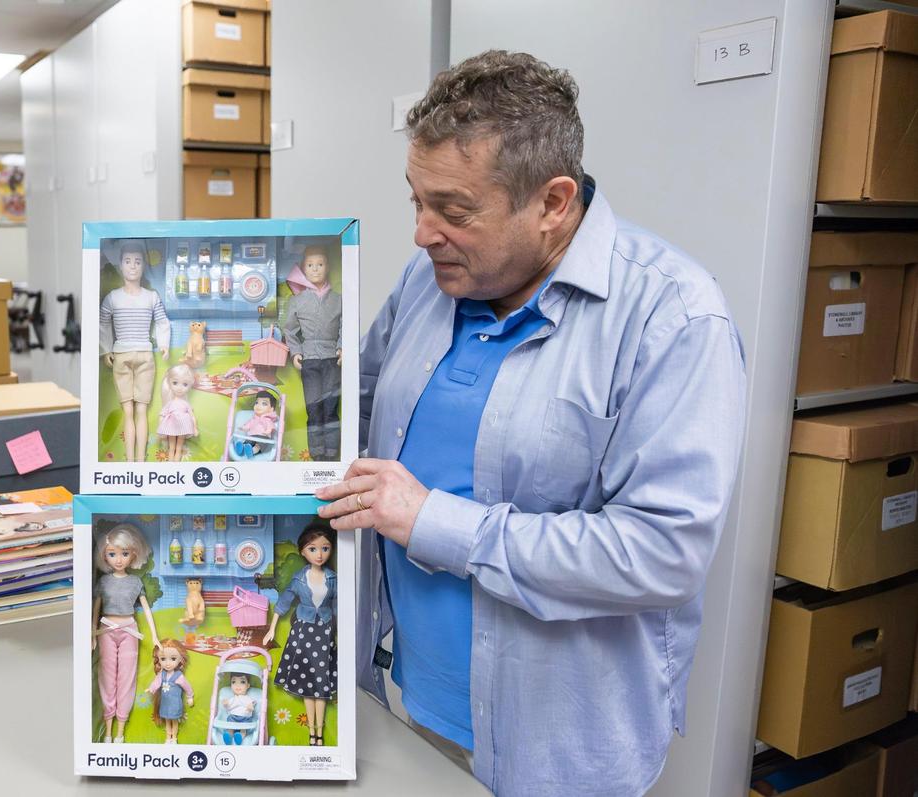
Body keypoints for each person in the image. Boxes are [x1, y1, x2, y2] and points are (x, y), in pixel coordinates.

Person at [316, 50, 746, 796]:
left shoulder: (672, 317)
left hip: (556, 754)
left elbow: (662, 551)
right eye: (415, 201)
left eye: (453, 210)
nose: (422, 233)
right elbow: (363, 401)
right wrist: (274, 387)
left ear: (552, 202)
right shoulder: (432, 278)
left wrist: (433, 521)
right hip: (401, 701)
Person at [263, 521, 337, 746]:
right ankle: (312, 733)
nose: (320, 554)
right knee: (308, 685)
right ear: (303, 551)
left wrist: (340, 635)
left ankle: (319, 734)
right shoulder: (299, 578)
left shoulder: (333, 578)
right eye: (313, 549)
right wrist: (271, 629)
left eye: (325, 548)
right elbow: (283, 604)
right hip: (303, 632)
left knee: (321, 686)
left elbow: (337, 607)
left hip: (324, 631)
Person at [99, 240, 171, 461]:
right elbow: (102, 323)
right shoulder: (113, 297)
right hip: (121, 355)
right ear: (120, 265)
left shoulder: (151, 297)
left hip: (145, 355)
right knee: (128, 410)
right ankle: (130, 462)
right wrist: (105, 349)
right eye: (128, 261)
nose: (132, 266)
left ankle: (140, 462)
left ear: (143, 266)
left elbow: (162, 322)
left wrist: (164, 344)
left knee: (141, 410)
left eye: (137, 262)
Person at [92, 523, 158, 744]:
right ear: (104, 555)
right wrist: (93, 632)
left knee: (126, 679)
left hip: (129, 630)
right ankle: (108, 732)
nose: (118, 559)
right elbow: (96, 608)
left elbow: (146, 608)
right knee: (107, 677)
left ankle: (120, 732)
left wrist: (155, 636)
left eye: (124, 553)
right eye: (112, 554)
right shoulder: (103, 581)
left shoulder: (135, 581)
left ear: (133, 554)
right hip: (106, 629)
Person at [283, 246, 343, 461]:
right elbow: (289, 330)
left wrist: (341, 346)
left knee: (330, 408)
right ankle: (317, 453)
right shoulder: (297, 301)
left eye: (320, 264)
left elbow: (345, 325)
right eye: (310, 265)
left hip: (332, 359)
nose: (315, 269)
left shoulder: (338, 299)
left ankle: (332, 453)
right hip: (309, 358)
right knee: (313, 408)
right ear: (303, 269)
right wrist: (295, 352)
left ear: (327, 267)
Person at [147, 638, 194, 744]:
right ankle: (168, 738)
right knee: (167, 721)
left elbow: (187, 687)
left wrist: (190, 697)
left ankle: (174, 738)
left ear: (180, 659)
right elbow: (156, 683)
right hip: (165, 704)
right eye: (163, 659)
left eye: (173, 659)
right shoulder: (162, 674)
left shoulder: (179, 676)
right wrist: (151, 689)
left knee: (175, 721)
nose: (167, 663)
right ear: (158, 659)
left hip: (175, 705)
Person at [221, 674, 256, 745]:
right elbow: (228, 708)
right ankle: (229, 736)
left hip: (245, 718)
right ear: (231, 685)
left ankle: (240, 736)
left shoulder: (247, 698)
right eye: (233, 682)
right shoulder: (232, 699)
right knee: (230, 725)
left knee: (244, 729)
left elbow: (252, 705)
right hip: (233, 717)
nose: (237, 685)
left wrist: (250, 707)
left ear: (248, 685)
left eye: (242, 682)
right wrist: (226, 704)